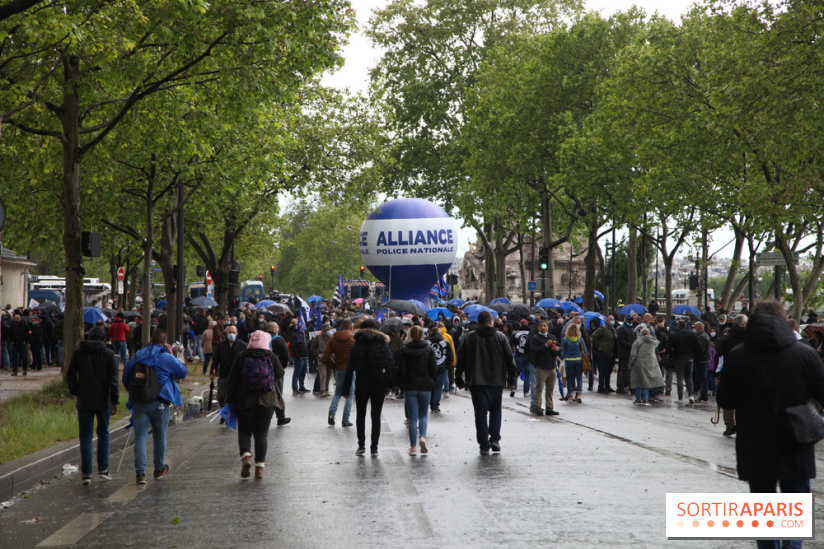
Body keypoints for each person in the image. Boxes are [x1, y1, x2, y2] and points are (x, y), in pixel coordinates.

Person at [717, 300, 824, 549]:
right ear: (784, 320)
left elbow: (726, 399)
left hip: (755, 439)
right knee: (796, 499)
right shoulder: (805, 353)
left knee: (763, 504)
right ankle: (792, 544)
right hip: (796, 435)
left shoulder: (739, 355)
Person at [122, 329, 187, 484]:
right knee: (159, 436)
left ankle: (140, 473)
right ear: (164, 343)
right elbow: (182, 373)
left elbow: (126, 377)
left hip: (139, 403)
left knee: (140, 437)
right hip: (160, 402)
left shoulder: (138, 355)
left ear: (150, 340)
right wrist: (171, 355)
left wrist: (134, 392)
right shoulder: (165, 357)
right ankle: (158, 468)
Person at [455, 311, 516, 455]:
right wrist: (512, 378)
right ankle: (494, 438)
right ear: (490, 322)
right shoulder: (500, 337)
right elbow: (509, 359)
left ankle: (483, 444)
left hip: (477, 381)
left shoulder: (469, 338)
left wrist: (458, 377)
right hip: (496, 380)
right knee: (496, 410)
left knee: (480, 414)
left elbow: (461, 359)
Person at [226, 330, 285, 479]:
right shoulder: (270, 356)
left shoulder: (243, 356)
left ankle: (246, 456)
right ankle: (260, 468)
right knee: (261, 434)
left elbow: (232, 379)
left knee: (245, 431)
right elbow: (280, 374)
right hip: (267, 400)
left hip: (244, 399)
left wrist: (229, 399)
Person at [66, 326, 119, 484]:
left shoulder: (79, 353)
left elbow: (70, 375)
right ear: (104, 339)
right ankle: (103, 469)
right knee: (103, 433)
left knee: (86, 436)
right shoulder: (109, 355)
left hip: (85, 399)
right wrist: (114, 401)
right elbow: (114, 381)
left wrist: (76, 391)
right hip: (103, 399)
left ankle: (86, 473)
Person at [342, 318, 394, 456]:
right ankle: (374, 448)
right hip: (379, 383)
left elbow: (349, 369)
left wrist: (346, 389)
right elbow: (390, 363)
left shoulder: (357, 344)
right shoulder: (382, 343)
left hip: (362, 383)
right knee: (376, 415)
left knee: (361, 414)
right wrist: (390, 384)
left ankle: (361, 446)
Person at [396, 325, 437, 456]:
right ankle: (423, 437)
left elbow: (401, 370)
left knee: (413, 418)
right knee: (423, 415)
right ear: (422, 335)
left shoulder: (404, 350)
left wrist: (400, 384)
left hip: (410, 386)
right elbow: (434, 369)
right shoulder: (429, 349)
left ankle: (413, 447)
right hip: (425, 386)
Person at [324, 320, 355, 427]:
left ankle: (332, 413)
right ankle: (345, 419)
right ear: (351, 328)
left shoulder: (333, 339)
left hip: (339, 368)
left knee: (338, 393)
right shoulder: (353, 339)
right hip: (350, 369)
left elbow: (326, 355)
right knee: (350, 395)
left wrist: (334, 365)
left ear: (341, 327)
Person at [211, 323, 247, 412]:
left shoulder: (242, 346)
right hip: (224, 374)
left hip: (236, 377)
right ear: (226, 334)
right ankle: (224, 410)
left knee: (233, 396)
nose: (231, 334)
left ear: (237, 334)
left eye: (233, 332)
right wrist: (212, 372)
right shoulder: (221, 346)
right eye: (230, 332)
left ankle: (229, 413)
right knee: (221, 396)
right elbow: (215, 360)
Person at [529, 318, 561, 416]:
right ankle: (538, 407)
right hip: (541, 367)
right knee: (539, 388)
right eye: (541, 326)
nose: (543, 328)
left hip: (551, 366)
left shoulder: (552, 337)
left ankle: (549, 407)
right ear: (538, 328)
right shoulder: (535, 338)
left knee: (550, 389)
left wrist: (557, 349)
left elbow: (560, 348)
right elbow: (534, 351)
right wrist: (545, 345)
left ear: (547, 327)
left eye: (545, 326)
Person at [665, 320, 700, 404]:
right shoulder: (691, 334)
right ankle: (691, 396)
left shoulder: (674, 335)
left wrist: (673, 355)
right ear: (686, 325)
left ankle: (680, 398)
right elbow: (698, 345)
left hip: (679, 358)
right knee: (689, 377)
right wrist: (693, 354)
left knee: (680, 378)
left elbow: (668, 347)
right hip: (689, 358)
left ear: (678, 326)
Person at [628, 328, 664, 406]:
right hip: (650, 364)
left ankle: (638, 399)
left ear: (641, 334)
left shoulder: (637, 342)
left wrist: (631, 364)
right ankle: (645, 399)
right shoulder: (653, 342)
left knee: (638, 381)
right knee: (647, 382)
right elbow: (657, 342)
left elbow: (633, 354)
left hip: (639, 363)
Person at [426, 324, 454, 413]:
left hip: (429, 368)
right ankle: (435, 405)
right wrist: (447, 366)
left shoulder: (426, 342)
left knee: (430, 387)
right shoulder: (445, 343)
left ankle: (430, 403)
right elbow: (450, 355)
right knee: (438, 387)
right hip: (441, 368)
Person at [560, 323, 588, 403]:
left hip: (569, 361)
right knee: (579, 378)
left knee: (570, 379)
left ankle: (570, 395)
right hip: (579, 360)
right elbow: (585, 351)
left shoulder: (565, 339)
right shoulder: (580, 339)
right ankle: (579, 394)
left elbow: (562, 351)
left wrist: (562, 359)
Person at [592, 315, 616, 393]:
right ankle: (601, 386)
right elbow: (594, 336)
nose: (612, 321)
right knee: (603, 371)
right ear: (607, 320)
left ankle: (607, 385)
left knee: (609, 371)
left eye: (613, 319)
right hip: (604, 353)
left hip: (611, 353)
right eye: (610, 319)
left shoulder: (613, 329)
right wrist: (598, 347)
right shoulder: (603, 329)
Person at [510, 319, 533, 399]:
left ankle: (513, 389)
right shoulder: (531, 333)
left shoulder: (516, 333)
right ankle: (526, 392)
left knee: (516, 373)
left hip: (518, 355)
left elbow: (510, 343)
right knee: (527, 374)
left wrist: (513, 349)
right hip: (527, 356)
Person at [310, 322, 334, 397]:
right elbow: (312, 347)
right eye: (327, 330)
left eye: (330, 329)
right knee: (323, 374)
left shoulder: (333, 337)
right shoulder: (318, 337)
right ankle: (322, 391)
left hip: (330, 359)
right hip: (321, 359)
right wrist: (318, 354)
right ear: (324, 331)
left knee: (328, 374)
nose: (329, 331)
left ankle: (326, 390)